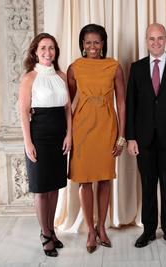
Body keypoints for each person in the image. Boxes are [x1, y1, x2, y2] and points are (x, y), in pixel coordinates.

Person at [126, 23, 166, 249]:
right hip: (143, 140)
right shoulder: (136, 68)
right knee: (147, 185)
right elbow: (131, 106)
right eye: (151, 39)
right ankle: (149, 230)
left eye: (160, 38)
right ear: (146, 41)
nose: (156, 42)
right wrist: (131, 138)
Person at [67, 24, 126, 254]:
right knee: (85, 180)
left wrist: (122, 136)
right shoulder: (75, 68)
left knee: (104, 179)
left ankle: (102, 227)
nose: (92, 46)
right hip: (82, 130)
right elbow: (67, 104)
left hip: (107, 128)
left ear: (103, 44)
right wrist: (67, 133)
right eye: (88, 42)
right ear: (82, 44)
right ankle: (90, 229)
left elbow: (121, 102)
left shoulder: (114, 66)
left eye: (97, 42)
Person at [19, 33, 72, 257]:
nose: (47, 52)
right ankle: (45, 234)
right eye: (43, 48)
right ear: (35, 51)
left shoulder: (61, 75)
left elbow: (68, 109)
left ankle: (52, 230)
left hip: (60, 136)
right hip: (38, 137)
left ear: (55, 51)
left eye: (51, 48)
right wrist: (28, 142)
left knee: (54, 188)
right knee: (41, 190)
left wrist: (69, 135)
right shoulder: (29, 78)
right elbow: (23, 112)